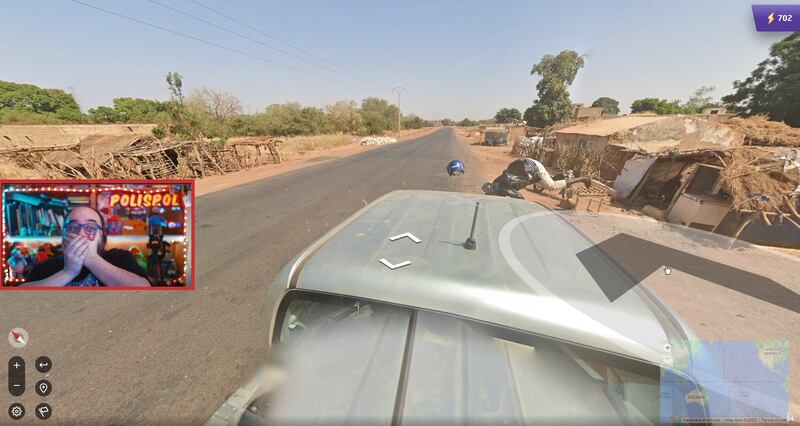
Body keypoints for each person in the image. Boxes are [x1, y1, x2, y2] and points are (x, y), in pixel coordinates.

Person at [20, 206, 150, 287]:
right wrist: (68, 272)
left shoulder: (118, 258)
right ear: (64, 235)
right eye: (73, 227)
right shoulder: (48, 265)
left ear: (102, 236)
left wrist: (91, 259)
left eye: (90, 227)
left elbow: (145, 290)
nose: (81, 234)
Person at [485, 158, 591, 199]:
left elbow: (520, 198)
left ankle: (583, 178)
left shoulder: (503, 187)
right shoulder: (496, 182)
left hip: (535, 169)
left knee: (552, 186)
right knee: (549, 180)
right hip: (527, 165)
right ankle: (561, 175)